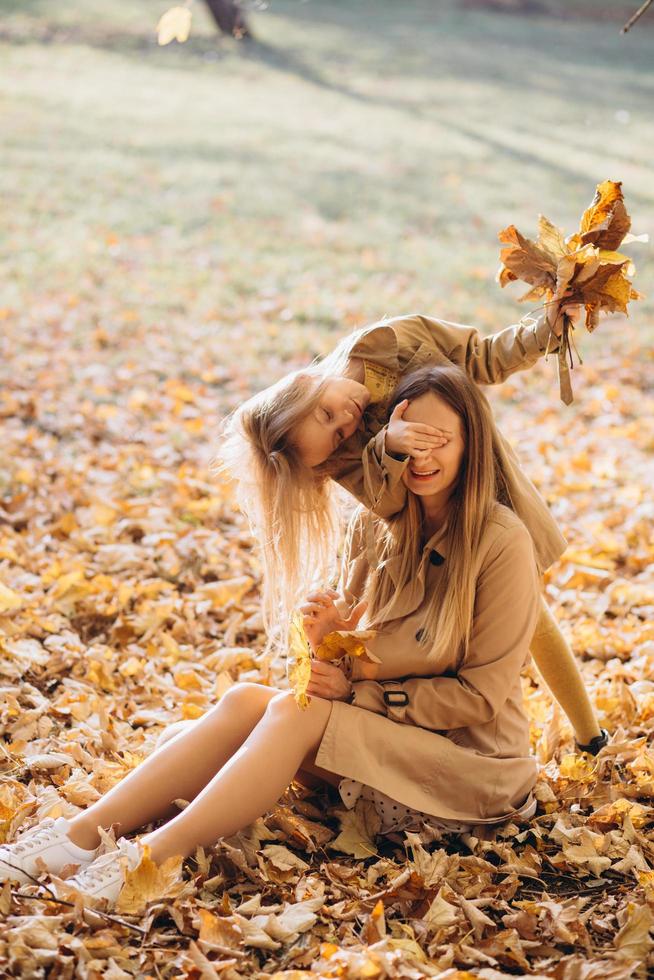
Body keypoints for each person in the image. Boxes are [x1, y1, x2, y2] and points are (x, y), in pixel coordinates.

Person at [1, 365, 550, 907]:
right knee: (244, 702)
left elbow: (480, 697)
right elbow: (342, 670)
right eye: (409, 442)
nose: (422, 457)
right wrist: (328, 640)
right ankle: (77, 837)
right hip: (387, 741)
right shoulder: (376, 525)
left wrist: (360, 690)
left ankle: (149, 859)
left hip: (473, 771)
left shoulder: (501, 542)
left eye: (440, 441)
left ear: (471, 444)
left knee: (285, 715)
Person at [218, 300, 607, 755]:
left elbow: (481, 357)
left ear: (306, 381)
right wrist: (389, 446)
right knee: (483, 628)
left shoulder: (388, 343)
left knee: (532, 615)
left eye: (328, 413)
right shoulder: (338, 456)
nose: (347, 421)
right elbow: (389, 504)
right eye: (339, 434)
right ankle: (456, 735)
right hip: (436, 529)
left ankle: (589, 736)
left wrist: (544, 330)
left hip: (481, 484)